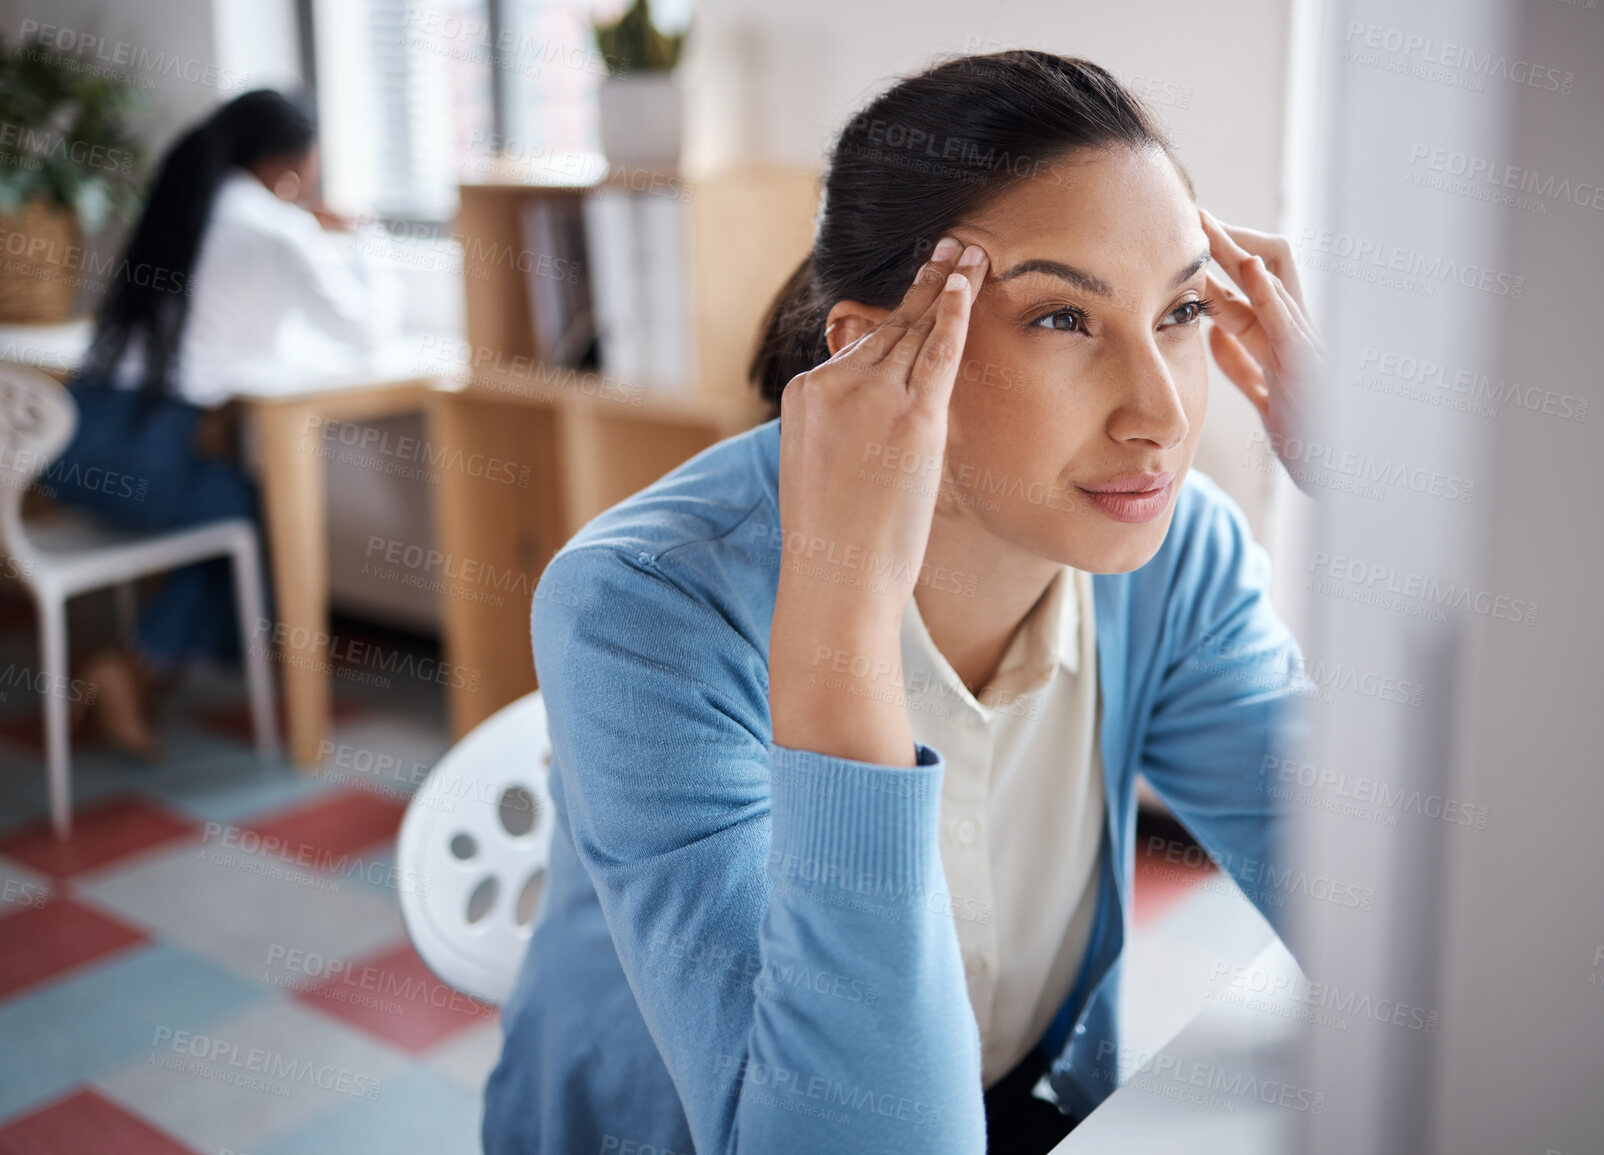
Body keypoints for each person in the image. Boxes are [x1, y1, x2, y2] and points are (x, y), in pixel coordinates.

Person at [483, 50, 1322, 1155]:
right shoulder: (642, 608)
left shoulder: (1178, 554)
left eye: (1181, 311)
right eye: (1063, 320)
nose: (1161, 416)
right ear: (872, 347)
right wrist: (840, 615)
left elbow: (1390, 914)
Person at [41, 89, 401, 758]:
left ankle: (138, 671)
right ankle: (136, 667)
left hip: (71, 439)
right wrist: (362, 238)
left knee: (229, 507)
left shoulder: (187, 206)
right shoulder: (273, 225)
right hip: (139, 456)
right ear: (287, 164)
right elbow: (366, 334)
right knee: (256, 520)